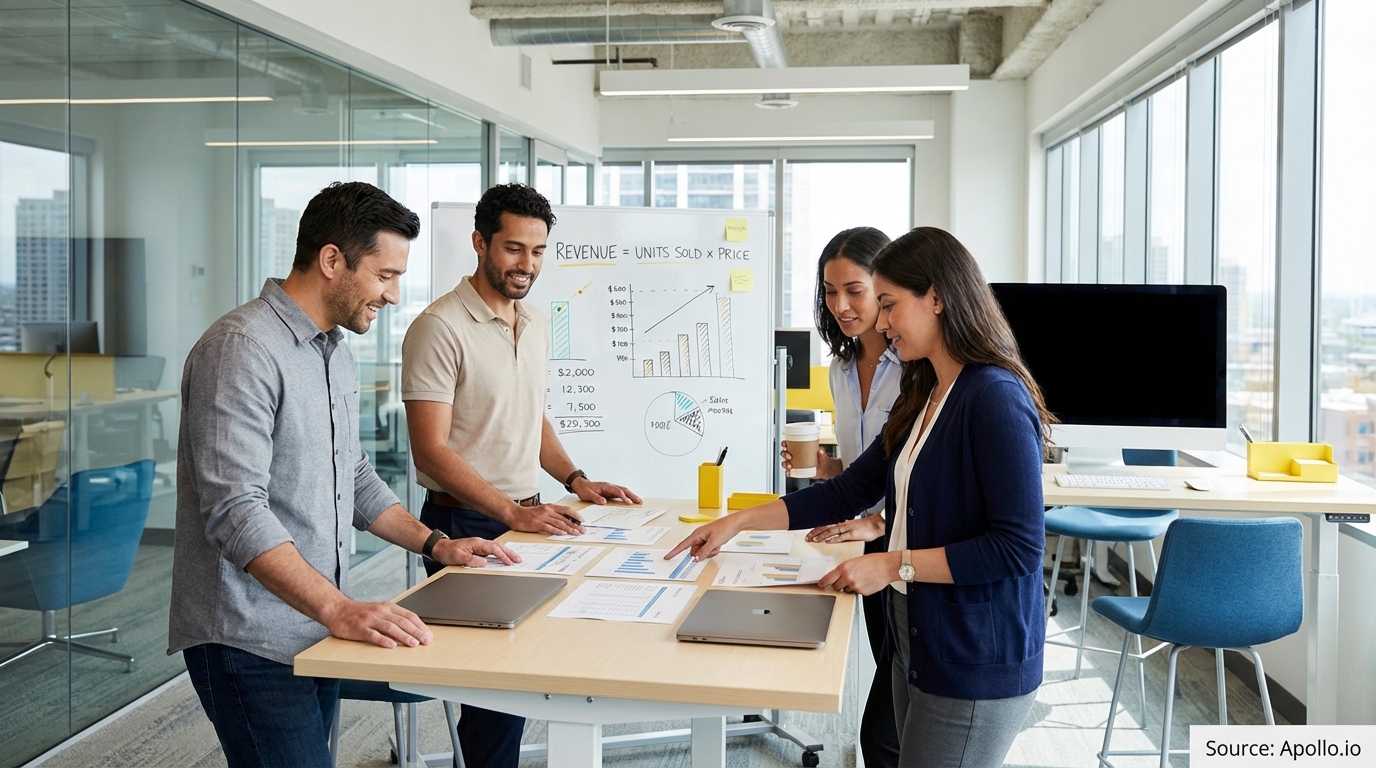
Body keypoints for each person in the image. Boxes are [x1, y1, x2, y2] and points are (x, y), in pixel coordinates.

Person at [670, 226, 1052, 768]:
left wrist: (895, 564)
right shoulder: (924, 390)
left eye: (890, 304)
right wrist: (738, 521)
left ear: (938, 299)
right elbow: (849, 489)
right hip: (916, 633)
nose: (883, 319)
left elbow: (1017, 548)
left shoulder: (993, 396)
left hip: (975, 654)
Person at [169, 181, 517, 768]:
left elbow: (352, 477)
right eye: (385, 275)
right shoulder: (241, 349)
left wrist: (439, 544)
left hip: (313, 621)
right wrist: (339, 608)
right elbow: (235, 512)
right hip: (247, 636)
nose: (394, 294)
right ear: (332, 260)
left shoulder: (333, 349)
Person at [402, 182, 642, 768]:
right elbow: (430, 453)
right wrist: (512, 513)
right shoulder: (439, 327)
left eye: (537, 251)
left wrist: (576, 480)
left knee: (521, 670)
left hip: (526, 512)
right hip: (467, 520)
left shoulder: (531, 321)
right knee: (493, 686)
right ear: (480, 243)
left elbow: (528, 414)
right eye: (514, 249)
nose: (527, 265)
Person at [779, 226, 902, 768]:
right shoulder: (841, 367)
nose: (841, 305)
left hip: (904, 540)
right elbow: (866, 468)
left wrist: (877, 520)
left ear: (884, 287)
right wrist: (829, 468)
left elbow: (921, 473)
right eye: (830, 292)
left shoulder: (917, 369)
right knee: (886, 663)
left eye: (854, 290)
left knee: (898, 692)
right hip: (864, 543)